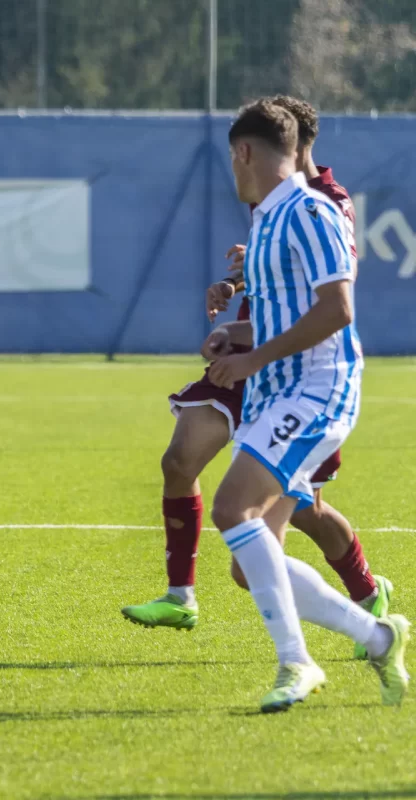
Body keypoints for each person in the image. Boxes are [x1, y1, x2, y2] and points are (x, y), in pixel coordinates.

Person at [121, 96, 390, 661]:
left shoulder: (323, 204)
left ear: (292, 145)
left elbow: (329, 294)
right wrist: (237, 286)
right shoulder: (268, 205)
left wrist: (254, 342)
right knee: (179, 462)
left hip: (299, 371)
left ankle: (368, 602)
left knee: (300, 516)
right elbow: (275, 275)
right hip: (253, 359)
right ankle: (182, 596)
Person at [204, 99, 407, 712]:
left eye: (232, 158)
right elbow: (283, 314)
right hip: (277, 393)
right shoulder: (267, 219)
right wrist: (236, 336)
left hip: (318, 389)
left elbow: (337, 310)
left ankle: (296, 661)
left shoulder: (311, 211)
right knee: (249, 564)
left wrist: (252, 360)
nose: (233, 169)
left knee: (231, 508)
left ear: (244, 152)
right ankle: (379, 637)